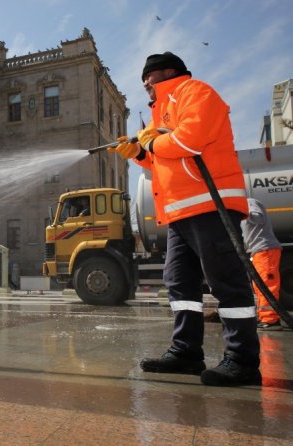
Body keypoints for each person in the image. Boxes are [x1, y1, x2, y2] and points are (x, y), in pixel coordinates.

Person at [110, 51, 260, 386]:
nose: (147, 91)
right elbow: (161, 159)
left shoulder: (197, 93)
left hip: (210, 204)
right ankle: (186, 352)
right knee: (180, 283)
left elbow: (189, 141)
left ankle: (242, 360)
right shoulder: (161, 109)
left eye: (149, 83)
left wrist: (153, 141)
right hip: (179, 211)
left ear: (167, 74)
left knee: (226, 282)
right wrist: (138, 153)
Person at [241, 198, 283, 331]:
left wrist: (242, 210)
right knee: (259, 286)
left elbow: (259, 218)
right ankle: (264, 317)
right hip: (258, 251)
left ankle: (270, 320)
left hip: (265, 249)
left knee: (266, 285)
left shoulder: (249, 202)